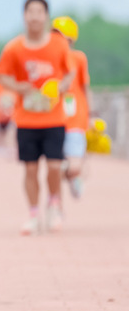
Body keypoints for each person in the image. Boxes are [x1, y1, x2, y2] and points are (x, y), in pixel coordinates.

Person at [0, 0, 75, 235]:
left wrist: (60, 87)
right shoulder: (14, 48)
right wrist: (19, 87)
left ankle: (54, 204)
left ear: (46, 16)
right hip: (27, 118)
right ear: (24, 16)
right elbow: (1, 75)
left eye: (40, 12)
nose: (35, 17)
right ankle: (33, 213)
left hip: (54, 118)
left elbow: (70, 72)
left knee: (54, 166)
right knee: (30, 169)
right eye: (31, 12)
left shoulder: (59, 44)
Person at [51, 16, 91, 199]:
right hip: (54, 118)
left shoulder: (78, 58)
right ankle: (56, 203)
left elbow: (85, 87)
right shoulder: (49, 59)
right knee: (55, 167)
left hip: (76, 118)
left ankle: (73, 176)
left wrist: (91, 114)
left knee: (74, 166)